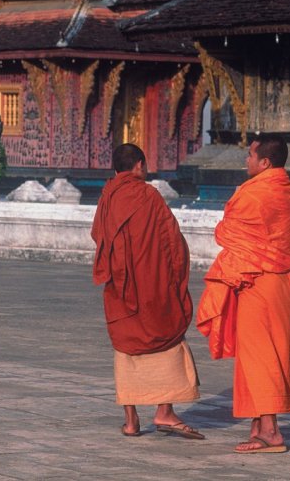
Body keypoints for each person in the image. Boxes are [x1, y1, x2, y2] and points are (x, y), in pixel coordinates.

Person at [197, 134, 290, 454]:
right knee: (267, 352)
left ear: (265, 162)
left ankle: (271, 431)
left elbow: (227, 231)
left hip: (257, 282)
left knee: (261, 356)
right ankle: (259, 424)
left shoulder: (255, 194)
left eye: (250, 156)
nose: (247, 160)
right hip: (281, 282)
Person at [91, 143, 203, 440]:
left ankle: (131, 421)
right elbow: (172, 241)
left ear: (116, 169)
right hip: (153, 286)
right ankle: (164, 411)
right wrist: (172, 276)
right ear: (139, 166)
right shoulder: (149, 196)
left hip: (120, 288)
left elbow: (98, 237)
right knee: (167, 341)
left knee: (126, 350)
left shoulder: (107, 197)